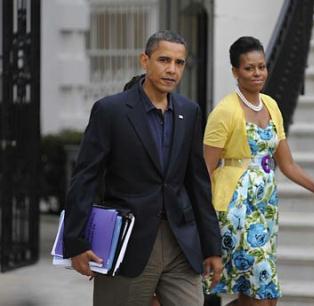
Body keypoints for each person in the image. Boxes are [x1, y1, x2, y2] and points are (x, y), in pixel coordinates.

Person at [63, 30, 223, 306]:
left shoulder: (190, 111)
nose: (172, 69)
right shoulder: (110, 111)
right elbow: (85, 178)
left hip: (181, 243)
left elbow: (197, 182)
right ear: (144, 60)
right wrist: (75, 242)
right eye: (164, 60)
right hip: (127, 242)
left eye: (179, 62)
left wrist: (212, 246)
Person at [202, 36, 314, 306]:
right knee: (261, 294)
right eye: (249, 68)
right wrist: (207, 223)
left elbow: (288, 165)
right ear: (235, 72)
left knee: (266, 297)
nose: (257, 73)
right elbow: (205, 170)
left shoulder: (271, 105)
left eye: (261, 66)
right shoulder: (224, 112)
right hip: (236, 211)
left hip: (266, 209)